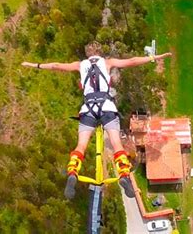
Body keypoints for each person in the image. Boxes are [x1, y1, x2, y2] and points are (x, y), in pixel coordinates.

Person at [22, 42, 172, 199]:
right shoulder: (108, 63)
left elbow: (56, 65)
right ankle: (123, 174)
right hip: (106, 107)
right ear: (100, 53)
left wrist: (34, 64)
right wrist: (154, 57)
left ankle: (73, 171)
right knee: (116, 144)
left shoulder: (80, 65)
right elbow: (132, 61)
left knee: (81, 146)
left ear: (87, 54)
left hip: (88, 109)